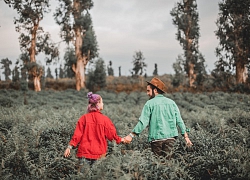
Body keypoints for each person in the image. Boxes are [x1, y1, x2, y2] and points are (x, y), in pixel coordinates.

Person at [123, 77, 193, 159]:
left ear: (155, 90)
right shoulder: (171, 103)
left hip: (157, 140)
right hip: (171, 139)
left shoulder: (149, 104)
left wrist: (131, 135)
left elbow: (143, 122)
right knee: (169, 165)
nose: (147, 93)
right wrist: (186, 137)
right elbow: (179, 120)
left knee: (158, 165)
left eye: (148, 91)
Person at [64, 92, 124, 167]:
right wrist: (121, 140)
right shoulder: (105, 120)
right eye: (102, 102)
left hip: (84, 153)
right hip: (99, 154)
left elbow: (77, 135)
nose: (103, 104)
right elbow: (112, 136)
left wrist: (69, 147)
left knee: (83, 176)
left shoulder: (83, 118)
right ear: (98, 104)